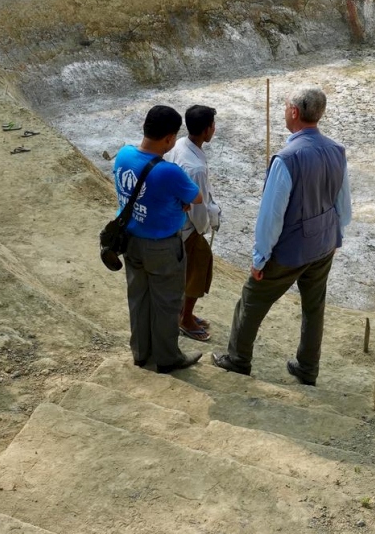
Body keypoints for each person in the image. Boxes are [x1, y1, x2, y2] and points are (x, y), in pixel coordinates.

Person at [212, 86, 352, 386]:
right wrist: (336, 235)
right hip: (324, 243)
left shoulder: (287, 159)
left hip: (291, 249)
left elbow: (271, 217)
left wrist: (260, 258)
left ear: (294, 112)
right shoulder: (337, 151)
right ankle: (307, 368)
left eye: (286, 106)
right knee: (314, 307)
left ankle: (238, 359)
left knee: (251, 299)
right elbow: (344, 204)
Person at [114, 105, 205, 374]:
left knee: (138, 298)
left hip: (130, 240)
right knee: (166, 303)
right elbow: (196, 197)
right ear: (168, 138)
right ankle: (167, 358)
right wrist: (179, 203)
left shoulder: (123, 155)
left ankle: (141, 353)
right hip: (162, 247)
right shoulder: (168, 171)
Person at [164, 105, 222, 343]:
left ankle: (182, 313)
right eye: (213, 125)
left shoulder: (180, 145)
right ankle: (185, 319)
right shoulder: (195, 167)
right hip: (188, 228)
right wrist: (206, 226)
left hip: (179, 222)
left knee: (186, 271)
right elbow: (198, 208)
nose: (214, 129)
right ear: (207, 129)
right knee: (198, 271)